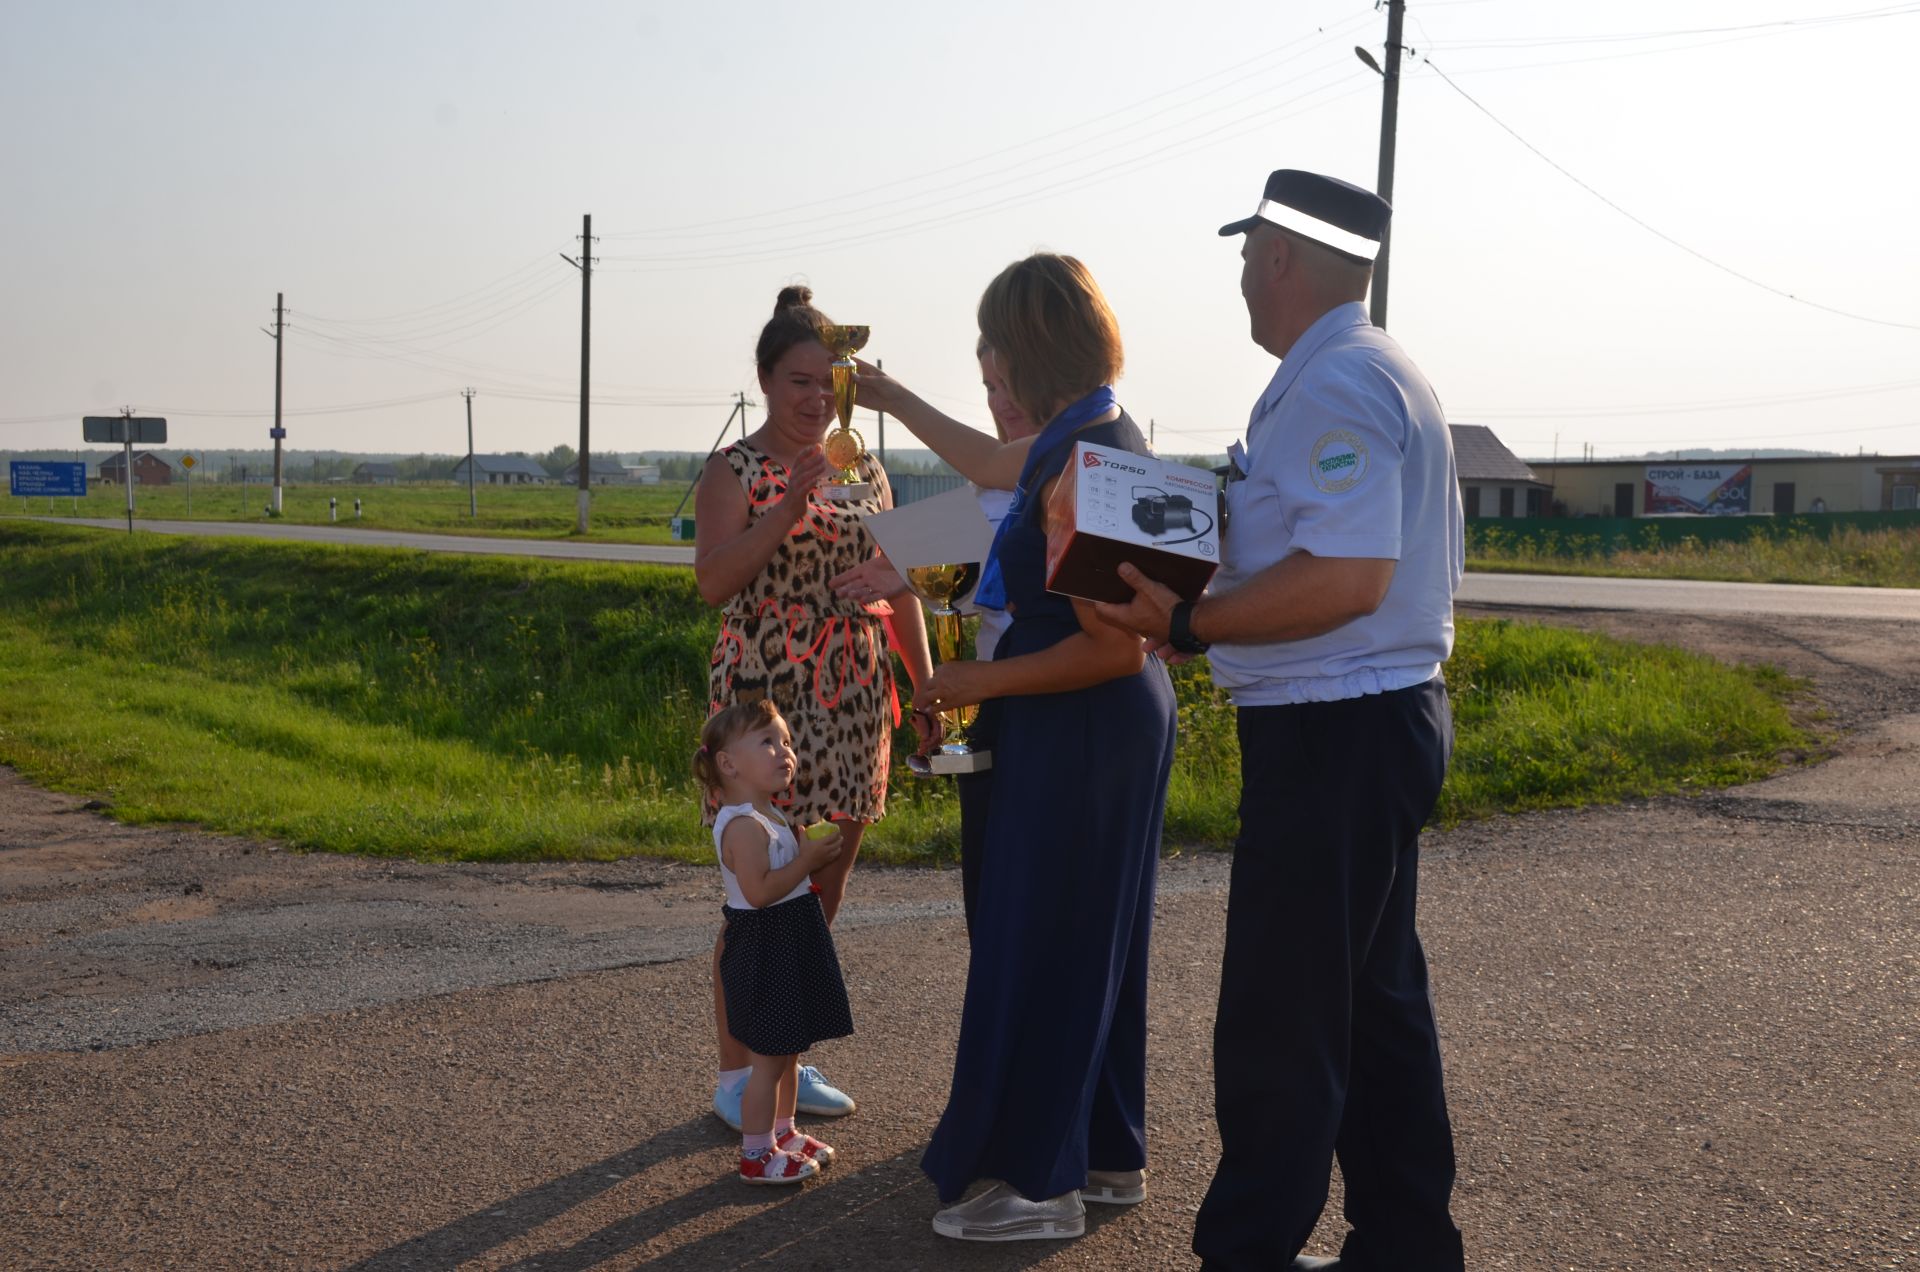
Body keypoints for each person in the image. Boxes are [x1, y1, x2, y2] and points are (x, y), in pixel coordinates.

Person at [1095, 169, 1466, 1270]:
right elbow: (1313, 549)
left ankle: (1248, 1252)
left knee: (1280, 1023)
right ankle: (1405, 1243)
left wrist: (1197, 622)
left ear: (1283, 258)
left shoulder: (1335, 385)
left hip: (1334, 733)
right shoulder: (1367, 368)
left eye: (1247, 255)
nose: (1242, 279)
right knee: (1374, 1008)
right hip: (1368, 722)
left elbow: (1348, 575)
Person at [855, 253, 1176, 1242]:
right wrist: (887, 395)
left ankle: (1034, 1183)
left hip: (1079, 722)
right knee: (1096, 942)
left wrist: (968, 682)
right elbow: (990, 465)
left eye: (995, 376)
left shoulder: (1082, 466)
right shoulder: (1086, 439)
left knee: (1044, 943)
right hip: (1097, 728)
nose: (989, 393)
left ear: (1034, 360)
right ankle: (1107, 1153)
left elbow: (1111, 649)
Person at [693, 285, 934, 1132]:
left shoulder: (865, 468)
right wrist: (786, 511)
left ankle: (783, 1053)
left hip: (857, 689)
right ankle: (736, 1072)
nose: (815, 395)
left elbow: (901, 582)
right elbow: (714, 581)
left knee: (821, 879)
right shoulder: (735, 469)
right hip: (766, 703)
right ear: (765, 380)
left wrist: (925, 680)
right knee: (757, 892)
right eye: (799, 379)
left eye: (829, 379)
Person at [828, 337, 1039, 933]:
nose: (1001, 404)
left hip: (1046, 705)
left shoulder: (1065, 457)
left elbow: (1025, 577)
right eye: (990, 389)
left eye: (1011, 384)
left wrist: (912, 571)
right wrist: (913, 570)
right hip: (1001, 702)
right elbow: (962, 583)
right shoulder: (992, 478)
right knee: (994, 909)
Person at [693, 700, 852, 1185]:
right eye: (767, 741)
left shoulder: (773, 816)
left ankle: (784, 1131)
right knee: (767, 1060)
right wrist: (805, 863)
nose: (784, 751)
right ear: (728, 763)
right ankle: (756, 1153)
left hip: (788, 939)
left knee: (789, 1050)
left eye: (786, 741)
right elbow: (759, 893)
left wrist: (809, 858)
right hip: (763, 947)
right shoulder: (742, 826)